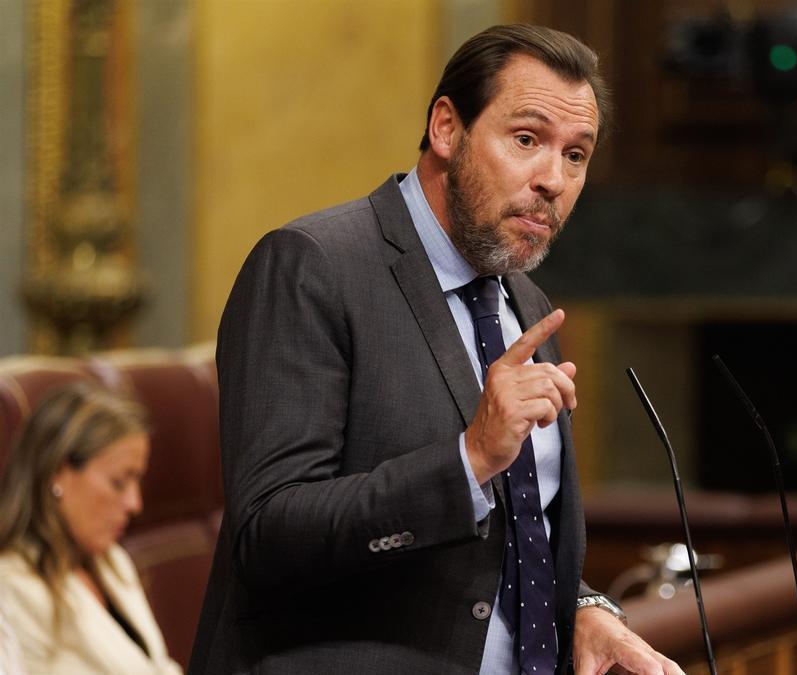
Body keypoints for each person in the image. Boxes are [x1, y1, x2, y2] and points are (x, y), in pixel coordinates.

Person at [189, 23, 682, 675]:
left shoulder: (527, 304)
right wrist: (470, 456)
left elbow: (511, 540)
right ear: (448, 128)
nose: (552, 179)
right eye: (528, 139)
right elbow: (267, 533)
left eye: (576, 154)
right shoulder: (314, 266)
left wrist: (584, 605)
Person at [0, 383, 182, 675]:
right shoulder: (14, 588)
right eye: (119, 483)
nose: (135, 504)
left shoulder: (112, 561)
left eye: (138, 481)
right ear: (58, 473)